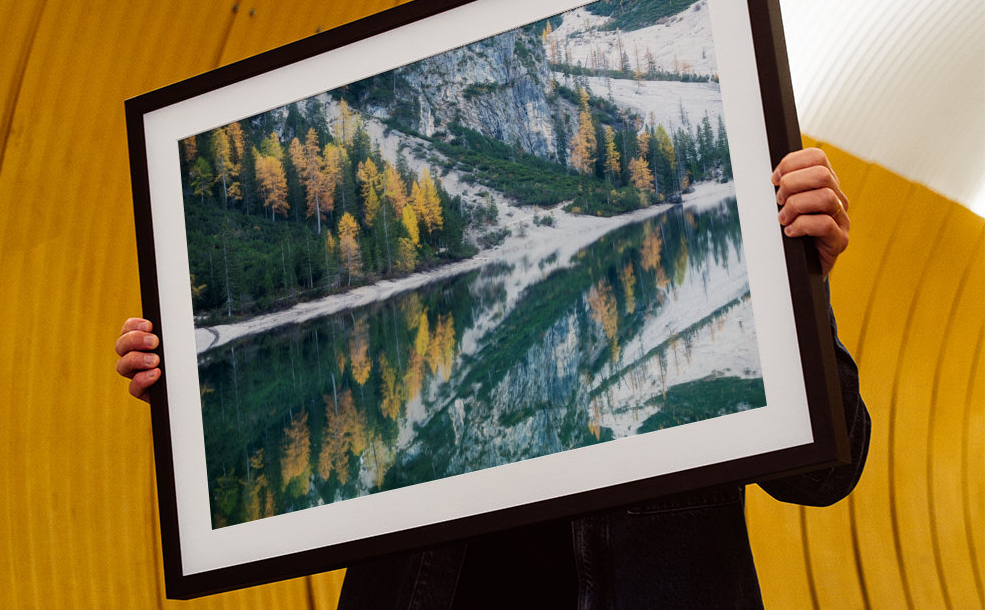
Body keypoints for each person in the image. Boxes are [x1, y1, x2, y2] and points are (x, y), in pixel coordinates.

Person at [116, 148, 869, 608]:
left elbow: (827, 474)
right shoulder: (421, 367)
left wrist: (801, 283)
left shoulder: (729, 279)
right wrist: (202, 386)